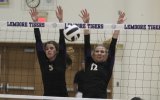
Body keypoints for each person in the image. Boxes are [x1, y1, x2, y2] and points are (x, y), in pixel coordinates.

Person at [79, 9, 125, 98]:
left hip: (101, 98)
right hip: (86, 98)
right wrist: (86, 24)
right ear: (93, 54)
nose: (99, 53)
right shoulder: (89, 62)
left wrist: (118, 25)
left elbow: (113, 43)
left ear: (106, 54)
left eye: (102, 51)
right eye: (97, 51)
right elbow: (87, 42)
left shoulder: (108, 64)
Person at [29, 6, 71, 97]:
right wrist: (35, 22)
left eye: (51, 48)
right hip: (48, 96)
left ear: (56, 51)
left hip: (62, 97)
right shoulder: (43, 61)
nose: (48, 50)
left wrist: (61, 21)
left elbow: (62, 40)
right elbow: (38, 40)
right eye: (47, 49)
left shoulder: (61, 59)